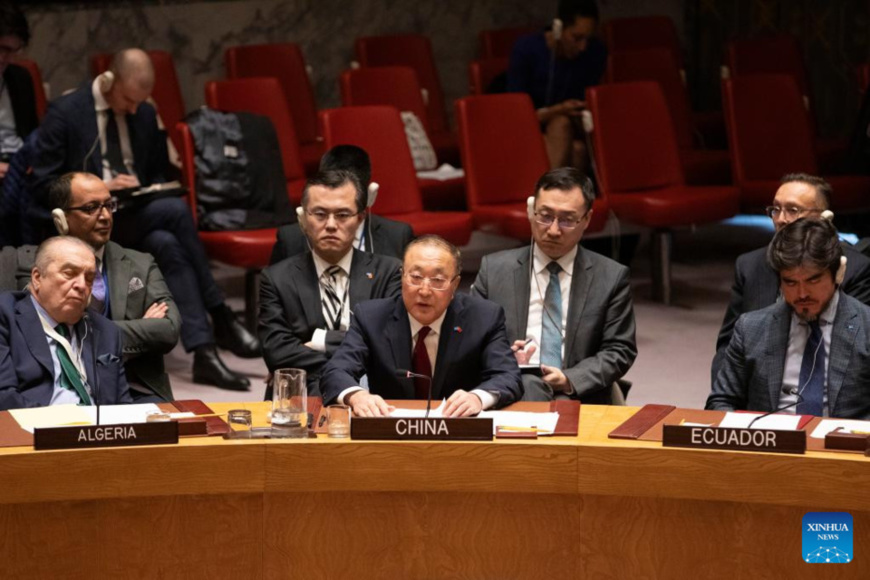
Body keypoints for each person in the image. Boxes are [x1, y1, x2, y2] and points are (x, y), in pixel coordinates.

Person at [29, 48, 259, 390]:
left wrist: (142, 188)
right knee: (177, 213)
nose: (134, 109)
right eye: (127, 100)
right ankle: (220, 314)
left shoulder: (145, 114)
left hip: (133, 213)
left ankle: (204, 351)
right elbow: (42, 185)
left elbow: (156, 173)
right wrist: (99, 190)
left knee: (167, 243)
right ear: (109, 80)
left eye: (140, 102)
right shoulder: (67, 112)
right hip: (85, 216)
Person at [472, 167, 636, 402]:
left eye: (567, 220)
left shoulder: (610, 277)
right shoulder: (494, 269)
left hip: (578, 391)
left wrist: (570, 379)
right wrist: (503, 356)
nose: (553, 230)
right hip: (512, 386)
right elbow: (472, 339)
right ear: (531, 211)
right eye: (545, 216)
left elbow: (619, 350)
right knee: (529, 386)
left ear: (587, 219)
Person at [320, 235, 522, 417]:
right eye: (415, 277)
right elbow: (336, 371)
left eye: (437, 280)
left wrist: (477, 398)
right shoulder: (371, 317)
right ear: (402, 276)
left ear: (454, 284)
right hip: (390, 435)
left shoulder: (484, 317)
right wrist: (356, 396)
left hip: (459, 435)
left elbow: (507, 376)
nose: (424, 291)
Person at [259, 169, 403, 398]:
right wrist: (352, 360)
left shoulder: (390, 271)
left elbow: (388, 344)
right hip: (300, 395)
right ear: (304, 219)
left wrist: (319, 340)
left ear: (360, 219)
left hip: (372, 396)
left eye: (343, 215)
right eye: (319, 214)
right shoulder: (276, 278)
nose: (331, 225)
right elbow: (277, 353)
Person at [712, 173, 870, 381]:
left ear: (824, 218)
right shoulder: (750, 266)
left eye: (792, 210)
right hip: (760, 387)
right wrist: (725, 394)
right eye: (776, 209)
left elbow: (856, 350)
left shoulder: (855, 268)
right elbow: (727, 345)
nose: (781, 219)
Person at [707, 218, 870, 419]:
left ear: (837, 274)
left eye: (813, 280)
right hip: (769, 443)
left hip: (845, 446)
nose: (802, 294)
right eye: (791, 282)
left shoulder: (866, 326)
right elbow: (721, 401)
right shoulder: (750, 328)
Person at [40, 172, 178, 402]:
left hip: (136, 389)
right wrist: (140, 328)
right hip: (66, 388)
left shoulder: (141, 263)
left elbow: (168, 329)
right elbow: (40, 336)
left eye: (108, 205)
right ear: (61, 219)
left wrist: (87, 337)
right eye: (91, 208)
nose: (104, 216)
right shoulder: (41, 266)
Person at [0, 236, 131, 410]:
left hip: (98, 432)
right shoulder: (5, 315)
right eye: (69, 274)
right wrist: (62, 427)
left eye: (89, 278)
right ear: (38, 277)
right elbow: (4, 399)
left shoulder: (105, 331)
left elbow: (124, 407)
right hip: (36, 429)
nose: (82, 285)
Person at [269, 144, 414, 264]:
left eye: (343, 214)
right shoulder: (290, 239)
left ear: (369, 195)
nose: (332, 224)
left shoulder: (398, 236)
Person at [507, 0, 606, 170]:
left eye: (587, 39)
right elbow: (516, 116)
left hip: (575, 128)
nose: (582, 47)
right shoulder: (527, 49)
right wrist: (559, 110)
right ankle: (551, 194)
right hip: (530, 126)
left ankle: (548, 194)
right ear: (558, 29)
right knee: (567, 133)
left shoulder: (595, 52)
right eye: (576, 38)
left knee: (577, 145)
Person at [0, 1, 38, 178]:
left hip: (20, 163)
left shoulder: (20, 77)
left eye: (12, 51)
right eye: (2, 48)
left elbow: (33, 132)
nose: (5, 58)